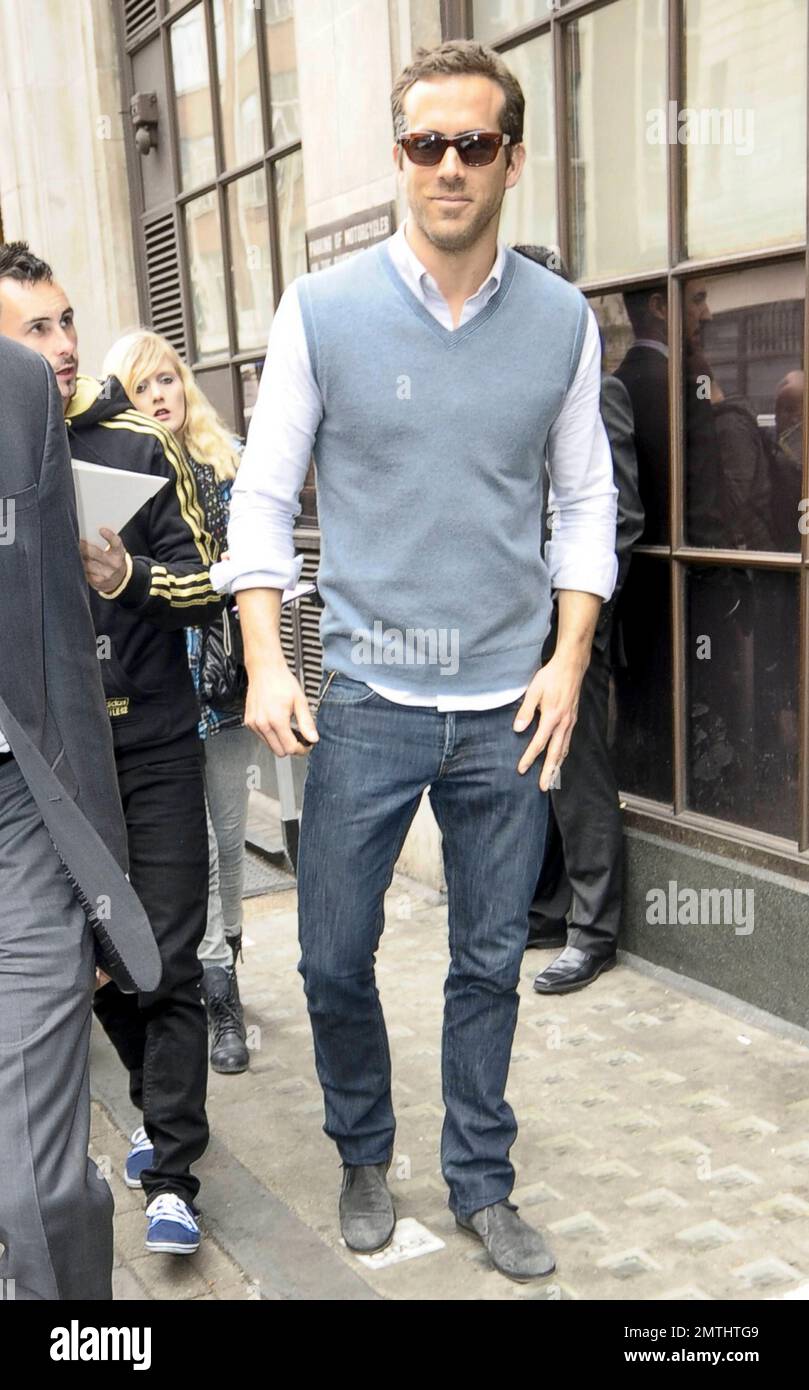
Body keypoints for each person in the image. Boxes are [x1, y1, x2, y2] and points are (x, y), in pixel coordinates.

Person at [213, 40, 617, 1281]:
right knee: (333, 953)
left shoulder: (558, 319)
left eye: (473, 144)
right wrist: (269, 660)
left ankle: (480, 1181)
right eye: (423, 145)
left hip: (507, 706)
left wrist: (564, 662)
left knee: (486, 959)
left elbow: (585, 503)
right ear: (397, 157)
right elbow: (263, 500)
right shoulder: (322, 310)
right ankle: (360, 1152)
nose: (448, 166)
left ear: (509, 156)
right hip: (367, 700)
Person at [0, 240, 222, 1257]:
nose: (61, 344)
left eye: (66, 320)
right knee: (102, 960)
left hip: (156, 742)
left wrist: (126, 570)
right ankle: (135, 1118)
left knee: (166, 955)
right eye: (34, 328)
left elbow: (209, 583)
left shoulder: (135, 436)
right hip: (51, 772)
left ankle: (173, 1168)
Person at [0, 334, 160, 1300]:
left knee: (36, 1185)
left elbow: (63, 650)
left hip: (18, 819)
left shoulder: (18, 390)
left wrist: (97, 874)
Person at [103, 329, 254, 1074]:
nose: (159, 394)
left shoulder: (224, 463)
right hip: (154, 696)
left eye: (167, 378)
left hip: (221, 687)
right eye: (140, 386)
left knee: (228, 841)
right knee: (187, 853)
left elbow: (254, 565)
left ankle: (227, 965)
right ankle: (212, 996)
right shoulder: (117, 468)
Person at [513, 246, 644, 993]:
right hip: (516, 619)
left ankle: (593, 931)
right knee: (534, 772)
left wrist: (576, 626)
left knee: (580, 774)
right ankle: (543, 910)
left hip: (573, 626)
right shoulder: (527, 384)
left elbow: (619, 518)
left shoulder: (597, 393)